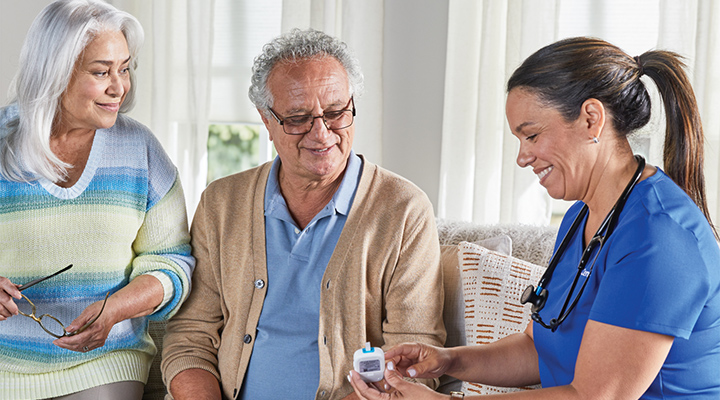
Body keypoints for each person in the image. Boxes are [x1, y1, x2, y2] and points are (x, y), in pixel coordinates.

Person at [350, 37, 720, 399]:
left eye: (532, 135)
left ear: (591, 119)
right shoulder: (582, 216)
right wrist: (448, 362)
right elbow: (538, 348)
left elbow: (595, 396)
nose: (522, 158)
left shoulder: (659, 236)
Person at [161, 28, 446, 400]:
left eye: (335, 113)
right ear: (266, 120)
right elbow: (190, 337)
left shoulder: (404, 210)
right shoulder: (222, 203)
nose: (322, 133)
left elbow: (413, 362)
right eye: (298, 118)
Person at [0, 1, 195, 399]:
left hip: (104, 360)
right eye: (101, 71)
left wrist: (117, 308)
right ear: (55, 72)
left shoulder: (140, 150)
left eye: (124, 68)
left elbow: (174, 262)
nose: (119, 86)